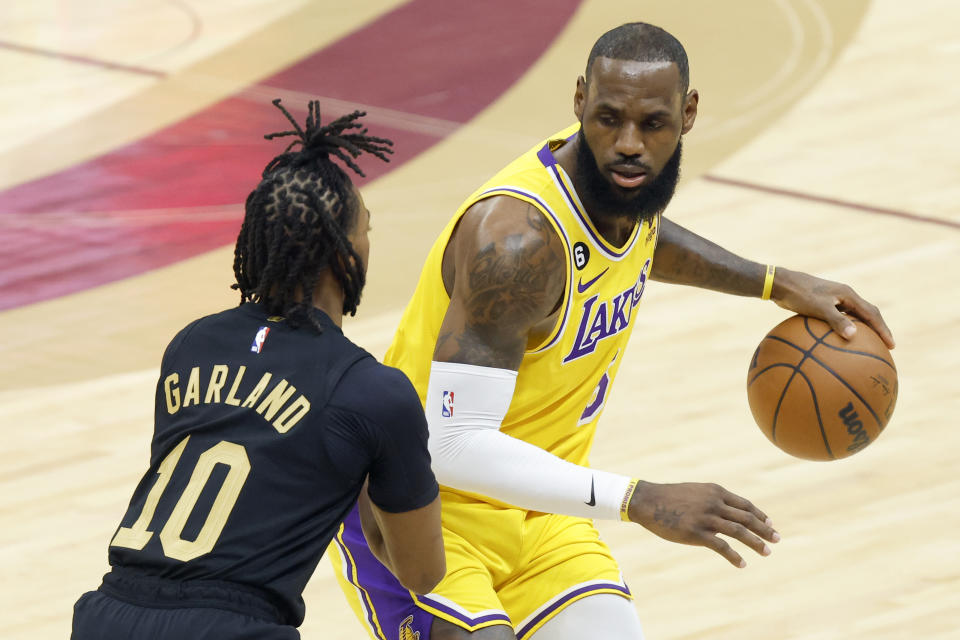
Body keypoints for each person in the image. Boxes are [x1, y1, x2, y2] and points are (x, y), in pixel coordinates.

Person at [329, 22, 895, 640]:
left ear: (689, 113)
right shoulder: (515, 243)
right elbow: (452, 443)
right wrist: (640, 498)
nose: (628, 144)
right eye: (607, 119)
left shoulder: (618, 189)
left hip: (541, 513)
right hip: (415, 509)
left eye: (652, 124)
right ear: (578, 101)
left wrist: (773, 281)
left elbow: (641, 238)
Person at [71, 99, 446, 640]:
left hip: (107, 615)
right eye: (366, 228)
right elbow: (421, 572)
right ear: (346, 254)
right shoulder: (372, 392)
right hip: (230, 627)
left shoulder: (191, 345)